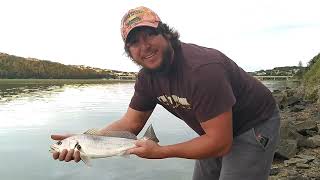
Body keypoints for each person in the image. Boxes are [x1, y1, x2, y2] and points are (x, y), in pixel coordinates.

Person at [51, 6, 280, 180]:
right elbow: (130, 125)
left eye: (149, 35)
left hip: (252, 124)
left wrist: (162, 151)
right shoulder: (147, 78)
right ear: (129, 51)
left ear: (166, 35)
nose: (144, 47)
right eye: (134, 42)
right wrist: (84, 140)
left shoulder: (202, 70)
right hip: (211, 131)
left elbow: (220, 143)